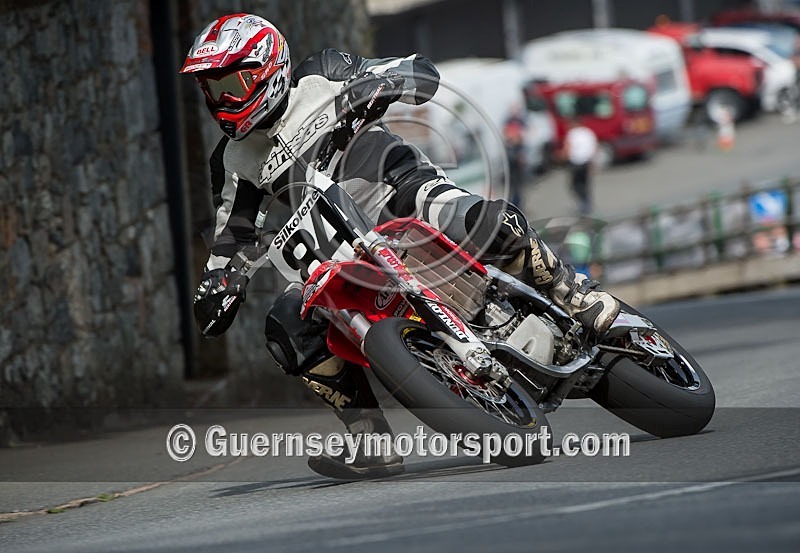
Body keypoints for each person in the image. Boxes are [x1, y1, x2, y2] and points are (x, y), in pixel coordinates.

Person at [181, 14, 620, 479]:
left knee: (487, 220)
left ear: (267, 68)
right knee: (287, 325)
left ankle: (576, 295)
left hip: (400, 192)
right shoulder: (232, 159)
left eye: (230, 82)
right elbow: (234, 232)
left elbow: (418, 70)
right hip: (334, 245)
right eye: (211, 88)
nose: (221, 99)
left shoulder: (324, 72)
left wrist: (381, 86)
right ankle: (369, 436)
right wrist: (217, 280)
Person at [563, 118, 597, 216]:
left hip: (576, 162)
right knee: (585, 184)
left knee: (575, 185)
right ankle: (587, 203)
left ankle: (584, 203)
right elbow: (594, 147)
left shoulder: (571, 134)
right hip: (587, 161)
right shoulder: (588, 132)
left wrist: (560, 157)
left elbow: (567, 149)